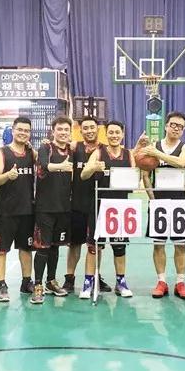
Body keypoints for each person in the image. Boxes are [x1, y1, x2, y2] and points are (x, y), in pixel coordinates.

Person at [136, 111, 185, 299]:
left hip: (179, 202)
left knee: (180, 244)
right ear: (166, 126)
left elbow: (181, 163)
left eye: (180, 126)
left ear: (183, 130)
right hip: (158, 201)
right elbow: (145, 174)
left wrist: (157, 153)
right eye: (173, 125)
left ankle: (180, 282)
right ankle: (161, 281)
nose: (176, 128)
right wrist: (152, 197)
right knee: (158, 244)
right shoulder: (154, 146)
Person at [79, 120, 136, 299]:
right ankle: (88, 282)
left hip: (120, 207)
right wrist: (93, 167)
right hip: (99, 206)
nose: (114, 135)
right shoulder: (98, 152)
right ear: (106, 134)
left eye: (117, 132)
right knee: (94, 247)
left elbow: (135, 179)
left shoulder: (129, 154)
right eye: (111, 132)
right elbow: (83, 175)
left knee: (119, 247)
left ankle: (121, 282)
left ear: (122, 134)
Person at [0, 117, 37, 302]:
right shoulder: (1, 153)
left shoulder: (31, 153)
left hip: (28, 209)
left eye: (26, 131)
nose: (23, 133)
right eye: (20, 130)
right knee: (1, 249)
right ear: (13, 130)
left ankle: (26, 282)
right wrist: (7, 176)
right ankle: (1, 284)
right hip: (7, 211)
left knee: (26, 248)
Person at [64, 116, 111, 294]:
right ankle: (69, 278)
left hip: (98, 204)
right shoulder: (74, 148)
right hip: (77, 203)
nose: (89, 130)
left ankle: (95, 275)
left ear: (98, 129)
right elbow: (55, 147)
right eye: (86, 128)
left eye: (92, 127)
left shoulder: (105, 150)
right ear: (80, 130)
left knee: (96, 244)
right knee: (74, 244)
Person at [31, 116, 75, 304]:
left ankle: (51, 281)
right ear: (53, 130)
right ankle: (37, 285)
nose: (63, 132)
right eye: (60, 129)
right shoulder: (46, 148)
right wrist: (61, 166)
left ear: (70, 132)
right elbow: (42, 165)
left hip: (64, 208)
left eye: (66, 129)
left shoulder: (72, 151)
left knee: (55, 246)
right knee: (43, 248)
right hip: (45, 208)